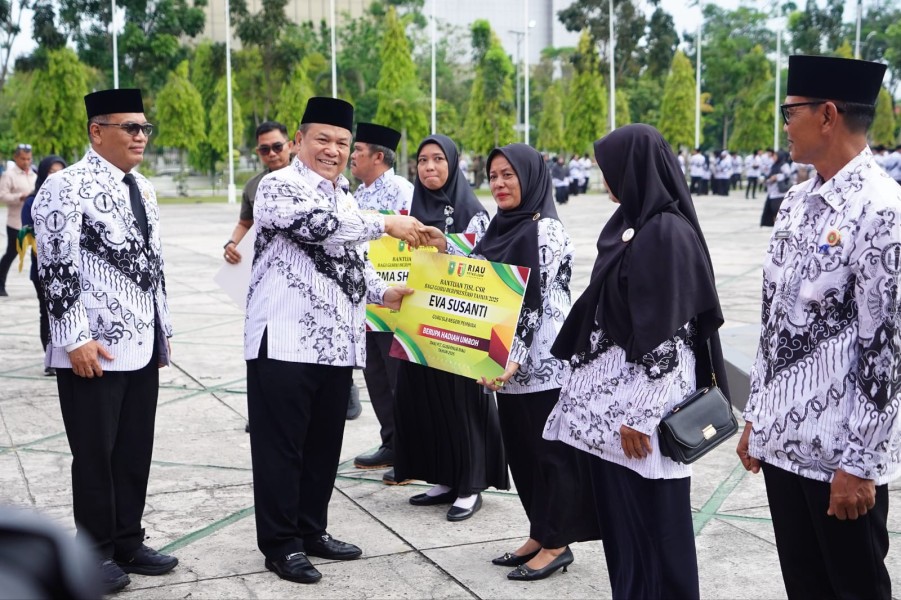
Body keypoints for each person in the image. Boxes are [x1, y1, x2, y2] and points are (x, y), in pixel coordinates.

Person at [736, 55, 900, 600]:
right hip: (784, 445)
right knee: (804, 587)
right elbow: (774, 321)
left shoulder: (883, 211)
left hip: (838, 459)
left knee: (855, 590)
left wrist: (860, 463)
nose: (784, 125)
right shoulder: (795, 202)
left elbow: (886, 352)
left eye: (790, 112)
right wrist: (757, 416)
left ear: (827, 115)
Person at [244, 97, 426, 585]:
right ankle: (280, 544)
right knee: (282, 448)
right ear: (299, 140)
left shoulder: (345, 195)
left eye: (343, 143)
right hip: (282, 342)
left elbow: (352, 259)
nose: (333, 150)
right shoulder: (276, 187)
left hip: (335, 345)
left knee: (323, 445)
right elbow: (318, 228)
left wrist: (384, 292)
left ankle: (310, 530)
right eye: (322, 139)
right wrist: (387, 222)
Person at [544, 124, 729, 600]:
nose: (604, 177)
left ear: (633, 169)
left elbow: (672, 338)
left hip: (640, 423)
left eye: (609, 168)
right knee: (626, 537)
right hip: (611, 419)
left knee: (655, 534)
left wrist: (639, 417)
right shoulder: (634, 223)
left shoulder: (665, 233)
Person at [425, 143, 600, 580]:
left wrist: (515, 358)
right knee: (522, 454)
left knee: (550, 456)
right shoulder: (503, 226)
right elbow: (484, 276)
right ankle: (539, 532)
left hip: (543, 363)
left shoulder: (547, 232)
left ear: (531, 177)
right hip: (507, 365)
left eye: (509, 175)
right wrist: (442, 247)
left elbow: (532, 304)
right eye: (494, 176)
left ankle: (557, 543)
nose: (500, 184)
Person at [31, 88, 177, 594]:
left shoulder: (145, 188)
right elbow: (55, 268)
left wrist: (163, 329)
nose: (141, 136)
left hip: (140, 344)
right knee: (95, 455)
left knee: (134, 450)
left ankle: (127, 540)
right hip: (92, 348)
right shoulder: (64, 186)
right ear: (97, 131)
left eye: (144, 128)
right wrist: (75, 339)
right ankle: (92, 550)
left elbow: (154, 266)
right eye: (130, 128)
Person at [393, 134, 508, 521]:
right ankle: (442, 476)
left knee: (462, 403)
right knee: (426, 398)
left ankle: (470, 485)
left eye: (438, 160)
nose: (429, 168)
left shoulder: (473, 210)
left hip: (462, 322)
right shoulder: (411, 210)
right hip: (422, 318)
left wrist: (447, 246)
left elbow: (487, 258)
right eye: (423, 161)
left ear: (453, 164)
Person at [349, 122, 414, 485]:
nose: (352, 157)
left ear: (378, 156)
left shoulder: (402, 192)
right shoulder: (356, 195)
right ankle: (390, 441)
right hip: (365, 302)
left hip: (393, 300)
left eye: (358, 151)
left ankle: (409, 451)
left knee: (396, 379)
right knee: (374, 375)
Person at [20, 155, 66, 375]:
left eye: (60, 171)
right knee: (47, 313)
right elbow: (28, 232)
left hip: (70, 270)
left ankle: (67, 355)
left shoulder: (72, 197)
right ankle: (50, 358)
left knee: (66, 313)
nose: (56, 176)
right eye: (51, 172)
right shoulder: (32, 200)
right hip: (42, 269)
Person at [223, 120, 293, 265]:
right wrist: (232, 243)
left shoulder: (310, 179)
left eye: (277, 147)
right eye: (265, 149)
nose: (272, 153)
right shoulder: (253, 186)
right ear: (258, 152)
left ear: (290, 146)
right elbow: (244, 223)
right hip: (266, 263)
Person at [0, 143, 36, 296]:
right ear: (16, 158)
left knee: (37, 254)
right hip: (16, 223)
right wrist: (19, 197)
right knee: (12, 253)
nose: (26, 162)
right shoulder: (9, 175)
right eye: (23, 159)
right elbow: (2, 196)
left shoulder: (34, 174)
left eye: (28, 159)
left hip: (33, 222)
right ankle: (0, 283)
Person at [760, 150, 792, 227]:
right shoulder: (774, 165)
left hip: (780, 193)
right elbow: (768, 176)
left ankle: (780, 226)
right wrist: (766, 180)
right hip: (771, 192)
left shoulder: (784, 165)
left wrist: (777, 177)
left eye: (775, 156)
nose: (773, 158)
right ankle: (776, 227)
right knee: (772, 212)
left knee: (778, 212)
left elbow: (788, 175)